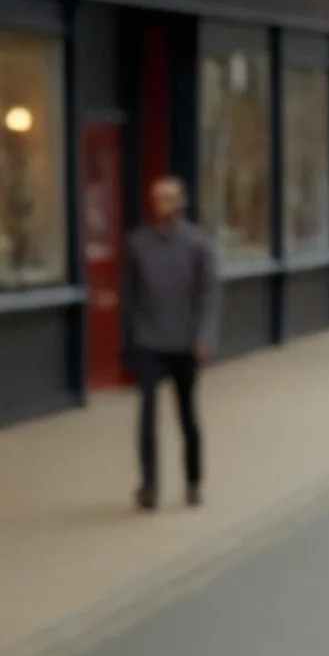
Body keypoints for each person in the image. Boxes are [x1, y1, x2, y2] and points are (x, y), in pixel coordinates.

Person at [123, 177, 220, 511]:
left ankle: (193, 480)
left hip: (186, 342)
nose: (163, 205)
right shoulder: (138, 243)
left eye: (169, 199)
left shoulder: (198, 244)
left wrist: (204, 337)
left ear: (181, 202)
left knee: (187, 414)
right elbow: (131, 296)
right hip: (150, 340)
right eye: (157, 199)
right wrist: (132, 339)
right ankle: (149, 485)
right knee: (147, 415)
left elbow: (209, 295)